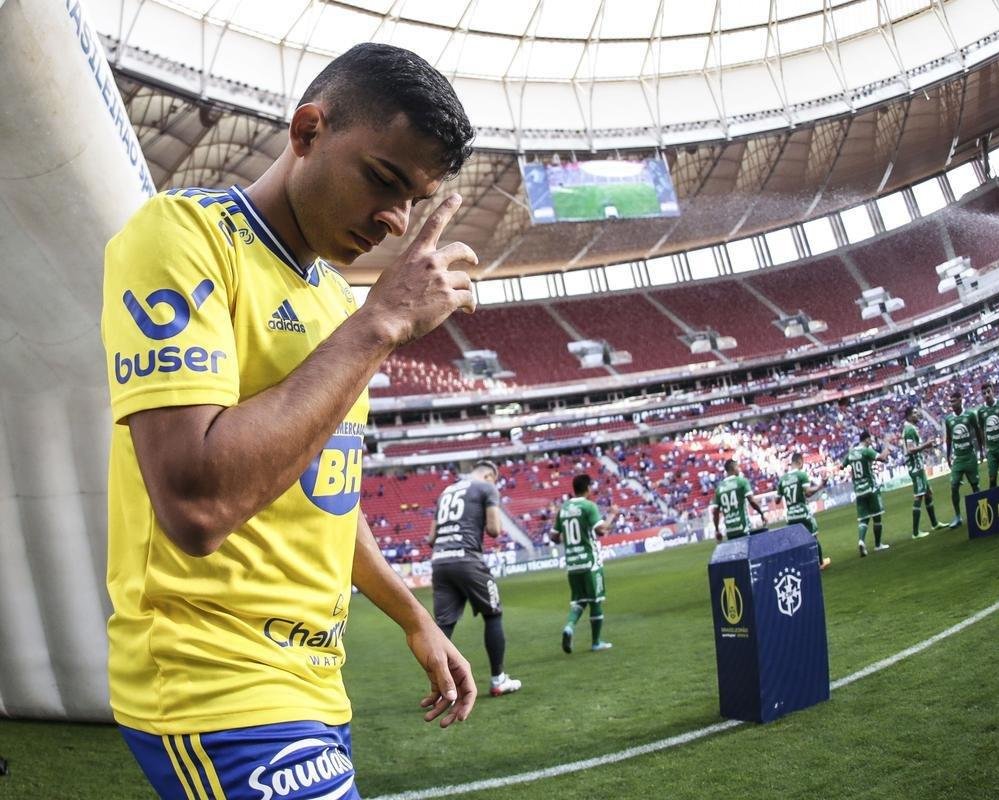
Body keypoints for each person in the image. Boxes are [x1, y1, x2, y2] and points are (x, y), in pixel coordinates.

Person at [101, 44, 478, 799]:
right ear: (307, 131)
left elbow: (321, 497)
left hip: (315, 685)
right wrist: (381, 326)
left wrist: (413, 616)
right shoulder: (181, 236)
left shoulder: (338, 304)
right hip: (214, 681)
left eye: (414, 199)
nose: (395, 221)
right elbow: (196, 507)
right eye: (383, 180)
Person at [426, 460, 521, 697]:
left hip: (440, 561)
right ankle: (499, 679)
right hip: (467, 559)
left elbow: (430, 538)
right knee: (493, 613)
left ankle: (441, 686)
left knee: (444, 625)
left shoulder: (447, 490)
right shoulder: (487, 488)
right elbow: (494, 530)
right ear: (490, 475)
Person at [551, 474, 614, 654]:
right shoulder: (588, 506)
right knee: (596, 601)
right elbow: (602, 529)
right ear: (588, 488)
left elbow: (554, 536)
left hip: (572, 564)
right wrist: (611, 515)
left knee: (579, 601)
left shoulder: (563, 508)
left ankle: (569, 627)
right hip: (590, 563)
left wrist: (568, 537)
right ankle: (596, 642)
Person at [775, 453, 831, 569]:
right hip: (802, 513)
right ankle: (820, 563)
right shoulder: (801, 475)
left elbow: (777, 500)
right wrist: (821, 485)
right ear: (800, 462)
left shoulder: (782, 479)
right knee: (814, 537)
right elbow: (808, 492)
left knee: (795, 541)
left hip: (790, 515)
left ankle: (798, 564)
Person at [902, 406, 950, 539]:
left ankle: (935, 523)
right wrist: (926, 445)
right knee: (919, 496)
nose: (917, 416)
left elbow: (913, 449)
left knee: (928, 493)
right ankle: (915, 532)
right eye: (915, 414)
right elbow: (911, 449)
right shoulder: (909, 430)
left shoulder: (910, 428)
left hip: (918, 465)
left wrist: (926, 448)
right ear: (909, 416)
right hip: (915, 467)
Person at [842, 431, 889, 556]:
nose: (871, 442)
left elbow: (842, 466)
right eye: (870, 440)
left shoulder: (851, 453)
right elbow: (882, 458)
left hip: (858, 490)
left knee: (863, 519)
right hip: (870, 487)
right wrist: (887, 448)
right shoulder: (867, 451)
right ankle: (878, 545)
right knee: (877, 516)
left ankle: (861, 541)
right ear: (867, 440)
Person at [944, 390, 983, 528]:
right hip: (958, 459)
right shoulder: (948, 419)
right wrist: (948, 455)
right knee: (954, 485)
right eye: (950, 402)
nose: (951, 404)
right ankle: (958, 516)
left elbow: (978, 432)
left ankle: (981, 511)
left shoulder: (970, 415)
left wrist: (981, 450)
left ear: (960, 400)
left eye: (953, 401)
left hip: (970, 456)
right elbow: (948, 438)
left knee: (975, 486)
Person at [712, 459, 766, 540]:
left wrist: (717, 530)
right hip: (743, 528)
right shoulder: (741, 481)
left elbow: (715, 512)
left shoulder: (719, 488)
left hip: (730, 531)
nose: (739, 469)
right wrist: (762, 514)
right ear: (734, 469)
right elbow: (752, 501)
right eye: (738, 467)